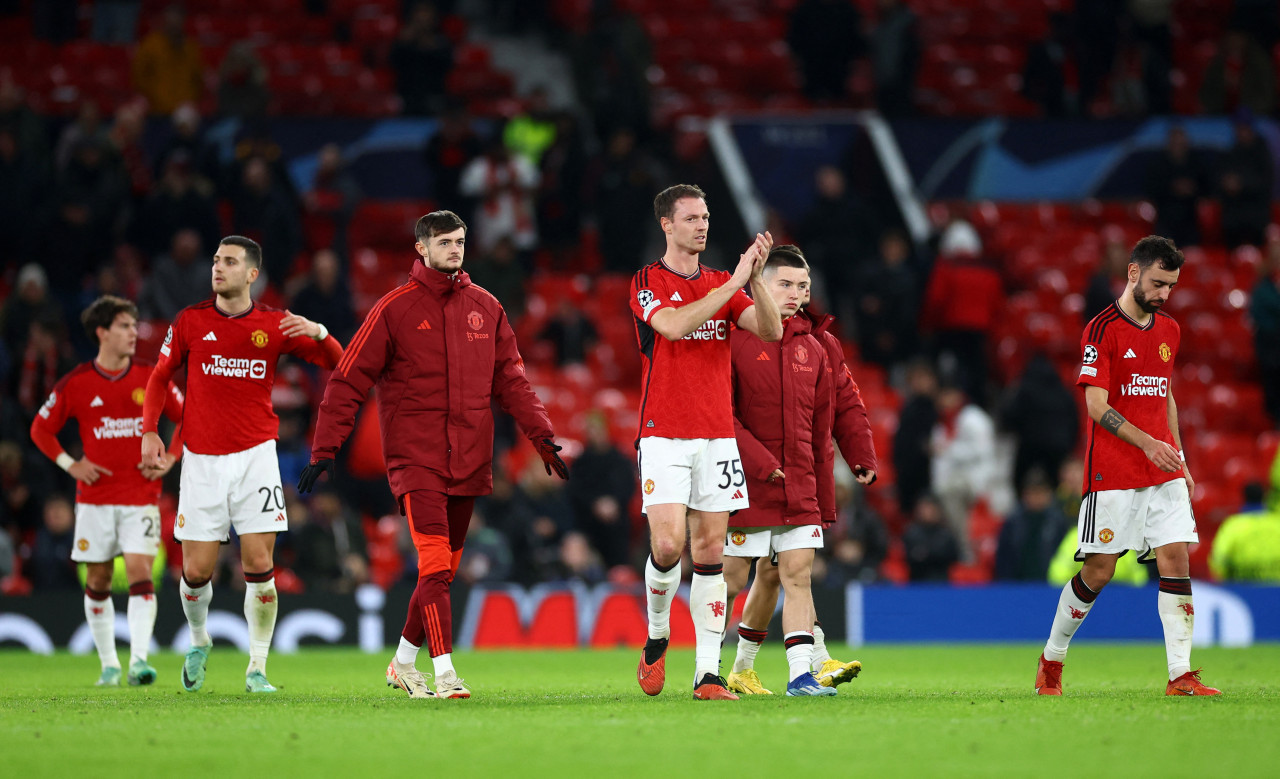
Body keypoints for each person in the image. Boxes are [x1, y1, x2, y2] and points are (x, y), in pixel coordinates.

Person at [298, 210, 566, 700]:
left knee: (442, 570)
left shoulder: (487, 307)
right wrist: (325, 447)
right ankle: (445, 674)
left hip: (470, 457)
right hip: (414, 458)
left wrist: (541, 437)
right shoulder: (393, 309)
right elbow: (347, 379)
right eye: (444, 242)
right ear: (420, 248)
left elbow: (512, 380)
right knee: (436, 564)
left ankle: (402, 663)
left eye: (460, 241)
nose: (454, 249)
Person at [140, 235, 344, 694]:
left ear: (252, 273)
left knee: (258, 562)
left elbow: (341, 364)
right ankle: (199, 640)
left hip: (256, 458)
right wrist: (150, 430)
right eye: (216, 260)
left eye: (229, 261)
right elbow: (159, 377)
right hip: (201, 461)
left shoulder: (273, 325)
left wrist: (318, 333)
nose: (218, 267)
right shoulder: (190, 321)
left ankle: (257, 668)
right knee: (195, 571)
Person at [1035, 235, 1221, 697]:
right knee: (1099, 570)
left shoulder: (1170, 331)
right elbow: (1096, 405)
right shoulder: (1100, 329)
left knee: (1176, 557)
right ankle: (1051, 660)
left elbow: (1166, 396)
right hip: (1114, 471)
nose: (1164, 294)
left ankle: (1181, 674)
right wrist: (1148, 443)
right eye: (1158, 283)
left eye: (1172, 286)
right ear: (1134, 273)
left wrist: (1178, 456)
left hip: (1163, 469)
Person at [630, 183, 782, 701]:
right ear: (667, 225)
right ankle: (656, 633)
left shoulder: (724, 280)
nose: (703, 225)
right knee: (669, 545)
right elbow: (672, 327)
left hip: (717, 435)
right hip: (664, 434)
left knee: (712, 550)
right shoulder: (647, 281)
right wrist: (732, 284)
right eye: (692, 218)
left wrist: (755, 281)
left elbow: (770, 331)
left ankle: (707, 674)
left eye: (706, 216)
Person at [725, 248, 876, 695]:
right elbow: (722, 416)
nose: (796, 294)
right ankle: (713, 670)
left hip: (801, 480)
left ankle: (802, 673)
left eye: (802, 286)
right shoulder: (735, 339)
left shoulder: (821, 344)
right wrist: (761, 463)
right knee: (736, 577)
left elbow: (847, 403)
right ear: (761, 286)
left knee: (792, 572)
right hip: (747, 481)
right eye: (785, 284)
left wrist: (861, 454)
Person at [29, 295, 184, 686]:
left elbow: (188, 417)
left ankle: (139, 662)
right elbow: (39, 429)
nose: (134, 332)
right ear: (102, 332)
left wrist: (173, 456)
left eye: (134, 325)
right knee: (97, 579)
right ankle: (110, 665)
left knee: (138, 571)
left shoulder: (152, 376)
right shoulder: (77, 382)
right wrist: (72, 465)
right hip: (94, 497)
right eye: (125, 326)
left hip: (140, 494)